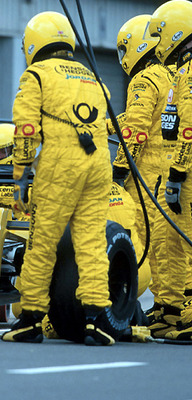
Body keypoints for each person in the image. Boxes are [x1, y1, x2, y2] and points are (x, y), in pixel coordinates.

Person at [0, 11, 115, 346]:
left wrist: (20, 174)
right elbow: (109, 122)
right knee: (92, 244)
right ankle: (96, 321)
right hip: (97, 165)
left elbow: (25, 128)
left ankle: (31, 320)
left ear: (34, 44)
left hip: (59, 165)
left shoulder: (35, 75)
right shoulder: (95, 78)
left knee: (41, 244)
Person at [110, 14, 178, 337]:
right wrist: (103, 121)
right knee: (172, 244)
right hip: (172, 172)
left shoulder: (143, 80)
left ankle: (164, 308)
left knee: (149, 245)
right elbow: (137, 119)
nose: (124, 59)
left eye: (124, 50)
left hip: (147, 178)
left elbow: (135, 131)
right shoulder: (171, 76)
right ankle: (172, 306)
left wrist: (120, 168)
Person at [153, 0, 192, 341]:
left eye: (160, 33)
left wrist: (178, 175)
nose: (157, 42)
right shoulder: (181, 71)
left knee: (190, 243)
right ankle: (176, 311)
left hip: (187, 171)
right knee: (177, 243)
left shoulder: (190, 71)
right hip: (180, 169)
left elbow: (190, 127)